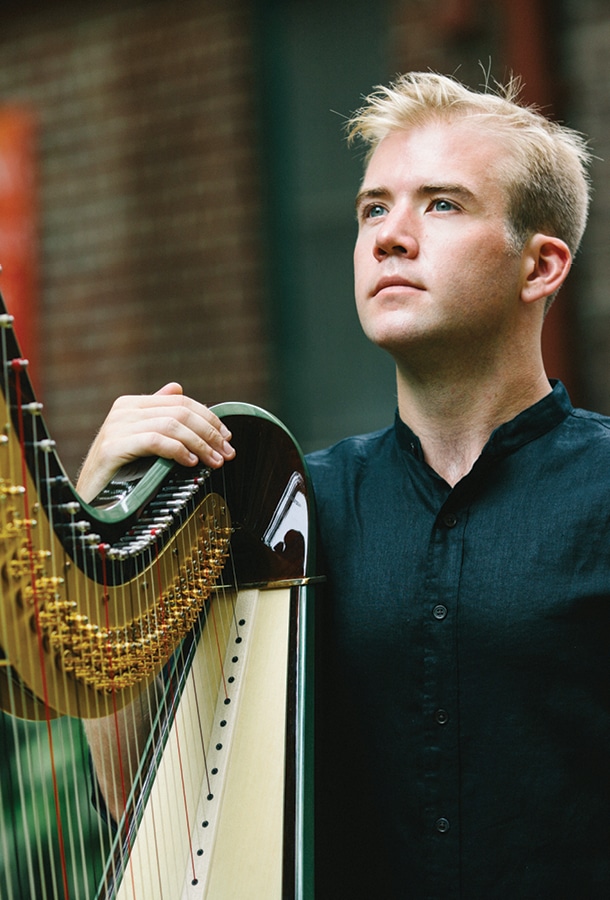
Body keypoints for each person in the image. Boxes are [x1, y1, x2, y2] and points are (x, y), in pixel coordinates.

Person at [79, 72, 610, 898]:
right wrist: (104, 524)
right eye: (373, 208)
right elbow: (149, 810)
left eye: (441, 205)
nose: (389, 237)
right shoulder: (287, 511)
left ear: (540, 265)